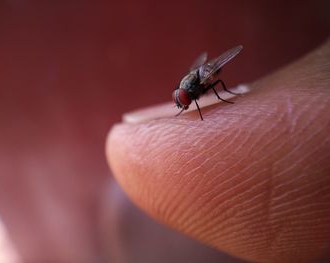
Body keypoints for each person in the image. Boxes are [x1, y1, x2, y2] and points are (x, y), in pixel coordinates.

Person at [106, 41, 330, 263]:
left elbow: (206, 79)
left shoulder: (198, 85)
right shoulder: (187, 89)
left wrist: (222, 98)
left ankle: (225, 97)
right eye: (179, 100)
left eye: (181, 100)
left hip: (204, 78)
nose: (180, 103)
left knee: (218, 84)